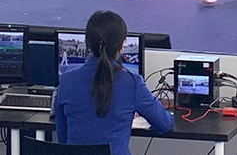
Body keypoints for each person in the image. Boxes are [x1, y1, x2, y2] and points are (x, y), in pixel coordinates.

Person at [56, 11, 174, 155]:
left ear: (88, 43)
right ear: (122, 45)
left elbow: (62, 138)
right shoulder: (132, 83)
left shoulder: (66, 81)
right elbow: (165, 124)